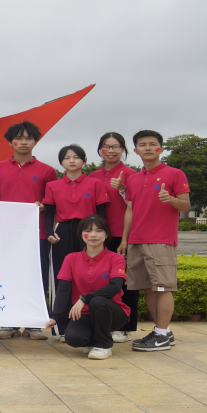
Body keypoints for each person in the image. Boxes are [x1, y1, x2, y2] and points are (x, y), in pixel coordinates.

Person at [118, 130, 191, 352]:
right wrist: (125, 239)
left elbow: (186, 205)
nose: (148, 148)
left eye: (153, 144)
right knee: (148, 288)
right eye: (143, 144)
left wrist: (171, 199)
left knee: (163, 287)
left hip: (161, 239)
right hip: (136, 240)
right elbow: (130, 210)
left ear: (161, 148)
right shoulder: (133, 178)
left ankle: (161, 334)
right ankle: (163, 332)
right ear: (135, 150)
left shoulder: (175, 174)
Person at [0, 121, 58, 341]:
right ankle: (8, 323)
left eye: (29, 138)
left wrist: (43, 206)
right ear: (11, 142)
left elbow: (53, 202)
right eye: (18, 138)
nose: (24, 142)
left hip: (37, 233)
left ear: (35, 141)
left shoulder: (47, 171)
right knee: (7, 276)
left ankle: (33, 323)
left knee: (36, 277)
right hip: (5, 234)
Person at [44, 215, 128, 360]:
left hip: (112, 313)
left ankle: (103, 345)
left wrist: (85, 298)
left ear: (106, 235)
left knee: (98, 301)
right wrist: (55, 316)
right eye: (88, 231)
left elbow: (115, 287)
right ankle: (93, 340)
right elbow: (63, 289)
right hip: (84, 313)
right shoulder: (71, 258)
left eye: (99, 231)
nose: (93, 235)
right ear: (82, 234)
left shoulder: (116, 258)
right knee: (73, 338)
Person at [42, 144, 109, 306]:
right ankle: (60, 315)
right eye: (67, 158)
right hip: (62, 231)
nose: (71, 161)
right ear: (61, 162)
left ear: (84, 161)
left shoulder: (95, 183)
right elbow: (49, 213)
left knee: (89, 271)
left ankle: (89, 312)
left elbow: (101, 213)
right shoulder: (52, 185)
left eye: (76, 157)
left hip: (88, 231)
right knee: (61, 271)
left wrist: (101, 234)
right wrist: (50, 232)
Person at [89, 132, 141, 343]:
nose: (110, 151)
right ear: (100, 150)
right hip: (97, 236)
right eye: (106, 146)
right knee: (99, 279)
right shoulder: (92, 176)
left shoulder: (131, 174)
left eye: (116, 146)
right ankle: (100, 324)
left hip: (122, 235)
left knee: (126, 281)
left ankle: (125, 327)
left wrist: (123, 189)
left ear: (123, 150)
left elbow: (137, 205)